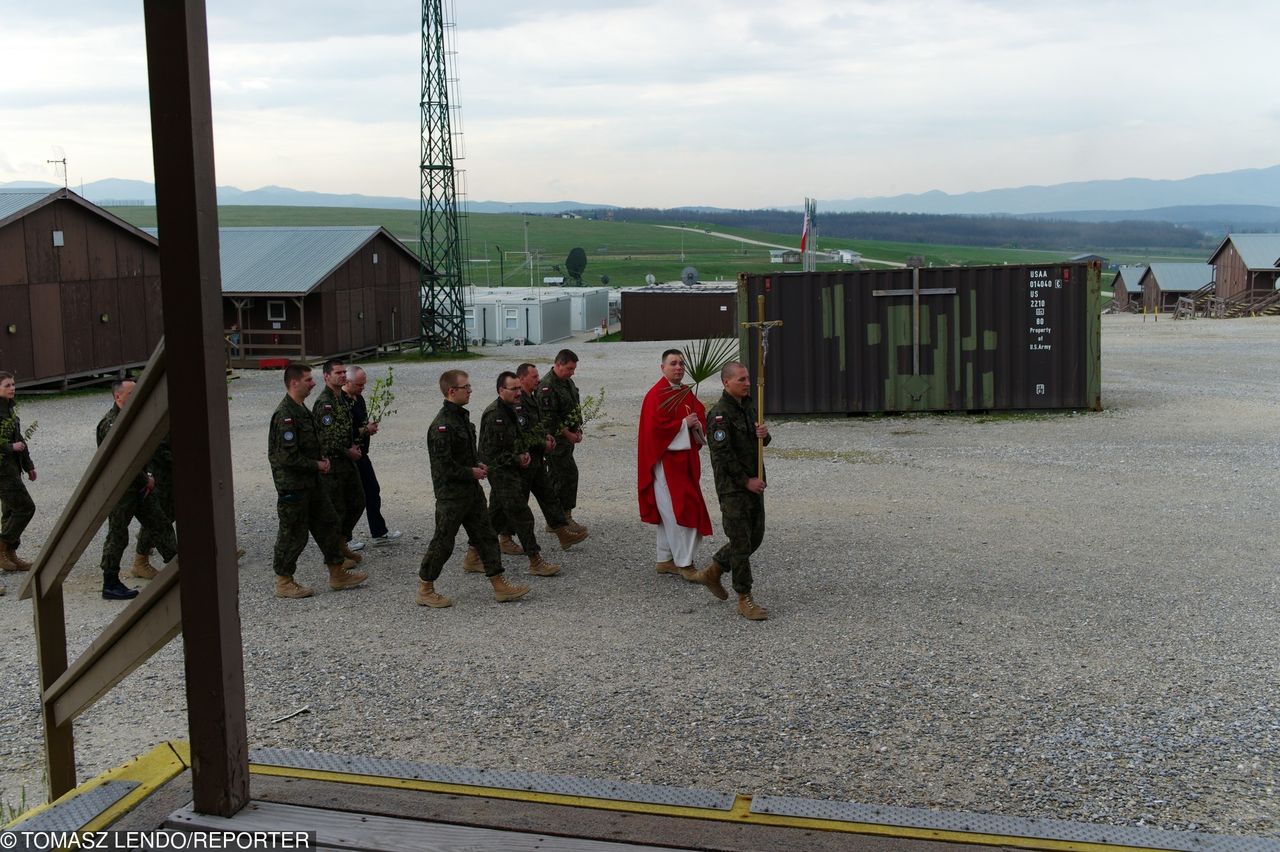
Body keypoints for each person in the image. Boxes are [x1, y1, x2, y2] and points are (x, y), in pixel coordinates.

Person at [417, 370, 530, 608]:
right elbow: (443, 467)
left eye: (469, 386)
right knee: (443, 541)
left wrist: (476, 463)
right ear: (451, 391)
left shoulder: (461, 419)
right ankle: (425, 588)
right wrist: (470, 472)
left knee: (487, 536)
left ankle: (499, 584)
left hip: (471, 493)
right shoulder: (442, 426)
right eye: (465, 387)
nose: (470, 390)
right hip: (452, 496)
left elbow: (465, 454)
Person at [268, 362, 366, 599]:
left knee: (330, 523)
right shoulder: (286, 416)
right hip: (294, 485)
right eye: (308, 380)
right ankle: (283, 580)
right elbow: (286, 456)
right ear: (294, 383)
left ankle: (337, 572)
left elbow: (314, 441)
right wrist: (317, 464)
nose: (313, 383)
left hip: (312, 482)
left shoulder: (301, 409)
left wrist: (321, 458)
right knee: (293, 534)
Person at [477, 361, 585, 563]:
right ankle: (499, 543)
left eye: (519, 387)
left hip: (528, 460)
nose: (538, 379)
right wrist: (534, 446)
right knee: (508, 508)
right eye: (533, 377)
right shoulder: (502, 411)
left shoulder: (528, 399)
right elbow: (505, 443)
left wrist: (545, 437)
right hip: (508, 467)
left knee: (547, 495)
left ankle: (560, 531)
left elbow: (534, 427)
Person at [694, 361, 772, 620]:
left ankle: (714, 570)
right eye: (741, 379)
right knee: (740, 542)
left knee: (755, 537)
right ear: (726, 383)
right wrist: (745, 481)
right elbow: (723, 455)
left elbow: (759, 441)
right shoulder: (719, 414)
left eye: (748, 378)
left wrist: (764, 434)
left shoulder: (749, 406)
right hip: (733, 488)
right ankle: (744, 597)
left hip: (754, 483)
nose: (747, 383)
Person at [96, 378, 180, 600]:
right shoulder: (111, 424)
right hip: (121, 489)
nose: (136, 398)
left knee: (161, 524)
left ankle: (179, 571)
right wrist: (146, 479)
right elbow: (121, 460)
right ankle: (110, 583)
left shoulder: (133, 419)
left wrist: (148, 476)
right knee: (117, 534)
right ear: (118, 397)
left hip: (141, 485)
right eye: (131, 394)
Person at [637, 349, 712, 579]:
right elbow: (655, 430)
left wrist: (697, 421)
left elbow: (697, 413)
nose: (678, 367)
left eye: (681, 363)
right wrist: (682, 424)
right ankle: (685, 564)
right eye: (673, 364)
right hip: (667, 463)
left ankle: (665, 559)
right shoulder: (656, 395)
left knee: (669, 513)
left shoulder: (685, 391)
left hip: (684, 462)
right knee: (678, 511)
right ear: (663, 368)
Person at [312, 359, 365, 561]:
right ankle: (335, 555)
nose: (342, 375)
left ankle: (342, 542)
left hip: (347, 463)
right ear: (326, 376)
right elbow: (327, 439)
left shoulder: (341, 399)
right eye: (338, 372)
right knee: (336, 510)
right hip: (334, 465)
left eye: (344, 372)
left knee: (357, 501)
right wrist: (347, 451)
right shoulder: (325, 403)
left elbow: (346, 429)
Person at [344, 366, 401, 546]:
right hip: (348, 457)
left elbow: (359, 425)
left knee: (373, 491)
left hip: (362, 454)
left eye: (364, 384)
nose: (362, 388)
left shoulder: (358, 398)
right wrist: (363, 430)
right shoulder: (341, 402)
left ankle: (378, 532)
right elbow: (342, 432)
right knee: (351, 498)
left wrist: (367, 427)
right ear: (347, 382)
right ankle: (345, 538)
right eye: (359, 384)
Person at [538, 349, 587, 534]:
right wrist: (567, 433)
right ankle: (563, 519)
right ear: (558, 364)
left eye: (573, 369)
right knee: (565, 476)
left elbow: (574, 406)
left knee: (559, 477)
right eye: (569, 368)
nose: (572, 372)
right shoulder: (547, 386)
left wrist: (578, 429)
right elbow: (548, 418)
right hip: (556, 442)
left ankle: (555, 520)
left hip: (567, 440)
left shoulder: (566, 382)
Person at [0, 372, 37, 591]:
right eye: (7, 385)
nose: (12, 388)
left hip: (13, 469)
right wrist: (8, 448)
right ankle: (2, 546)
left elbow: (19, 439)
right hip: (2, 471)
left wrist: (29, 465)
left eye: (13, 384)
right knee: (25, 508)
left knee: (10, 512)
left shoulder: (10, 408)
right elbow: (11, 444)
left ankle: (10, 554)